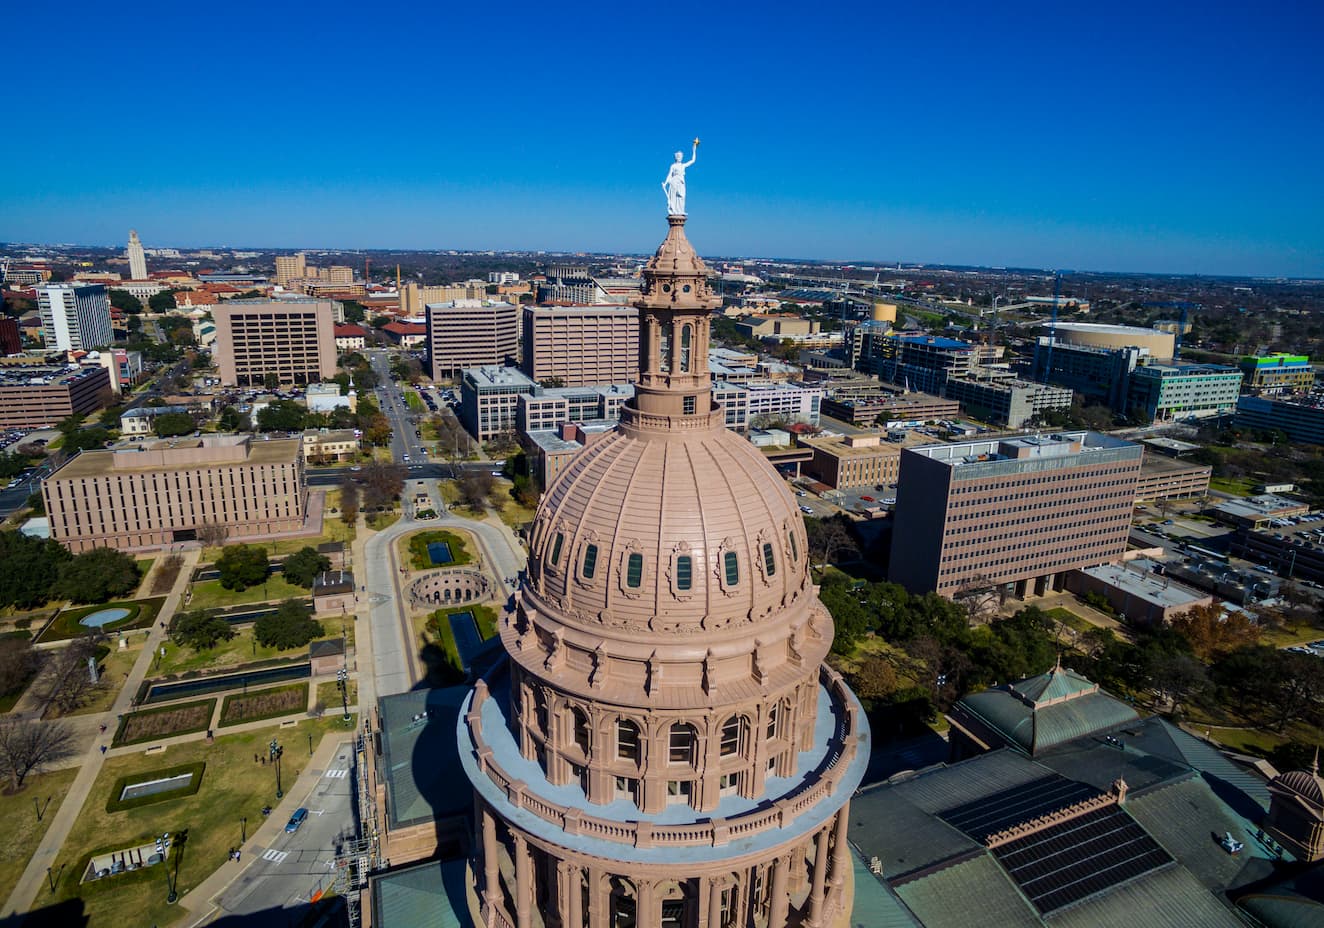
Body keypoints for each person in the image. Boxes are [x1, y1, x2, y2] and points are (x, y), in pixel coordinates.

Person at [662, 139, 699, 215]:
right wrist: (665, 183)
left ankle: (680, 210)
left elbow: (693, 160)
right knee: (673, 197)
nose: (679, 157)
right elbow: (669, 175)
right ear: (676, 157)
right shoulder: (673, 166)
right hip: (674, 182)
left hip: (681, 182)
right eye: (678, 156)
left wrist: (694, 149)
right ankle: (674, 211)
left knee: (682, 196)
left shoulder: (683, 165)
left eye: (680, 156)